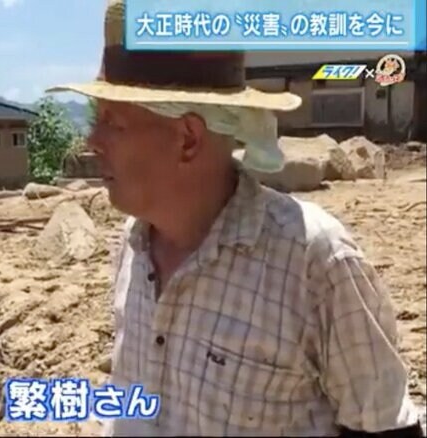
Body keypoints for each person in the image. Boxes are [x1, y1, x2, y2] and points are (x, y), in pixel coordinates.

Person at [47, 0, 425, 436]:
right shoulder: (133, 244)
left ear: (188, 139)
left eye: (113, 122)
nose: (92, 140)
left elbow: (384, 427)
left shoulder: (314, 261)